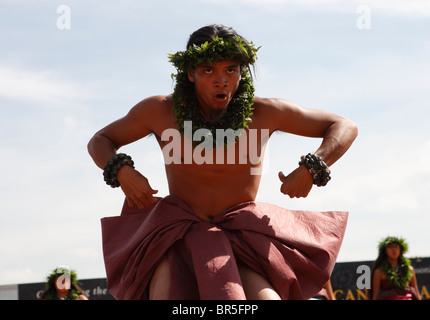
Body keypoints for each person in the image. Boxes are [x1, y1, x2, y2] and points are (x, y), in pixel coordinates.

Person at [88, 24, 358, 300]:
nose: (222, 80)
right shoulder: (159, 111)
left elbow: (343, 126)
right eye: (209, 70)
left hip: (243, 237)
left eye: (231, 69)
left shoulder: (265, 112)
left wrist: (313, 167)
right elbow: (101, 139)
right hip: (176, 237)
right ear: (190, 73)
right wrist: (121, 171)